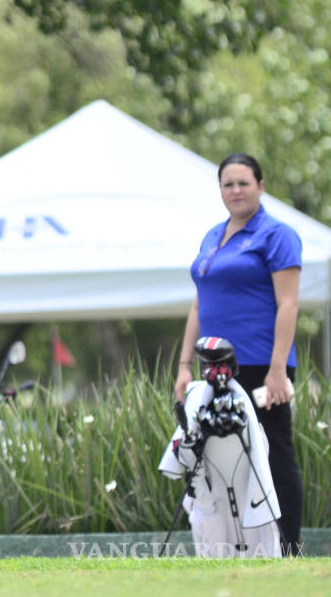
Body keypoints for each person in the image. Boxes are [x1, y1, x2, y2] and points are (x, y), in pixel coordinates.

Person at [174, 153, 303, 556]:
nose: (235, 191)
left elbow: (288, 305)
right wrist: (183, 365)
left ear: (261, 186)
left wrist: (278, 370)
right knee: (218, 458)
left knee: (272, 452)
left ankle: (289, 547)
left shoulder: (277, 234)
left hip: (262, 365)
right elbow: (199, 304)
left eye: (243, 183)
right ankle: (233, 548)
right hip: (214, 367)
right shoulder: (212, 236)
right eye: (228, 184)